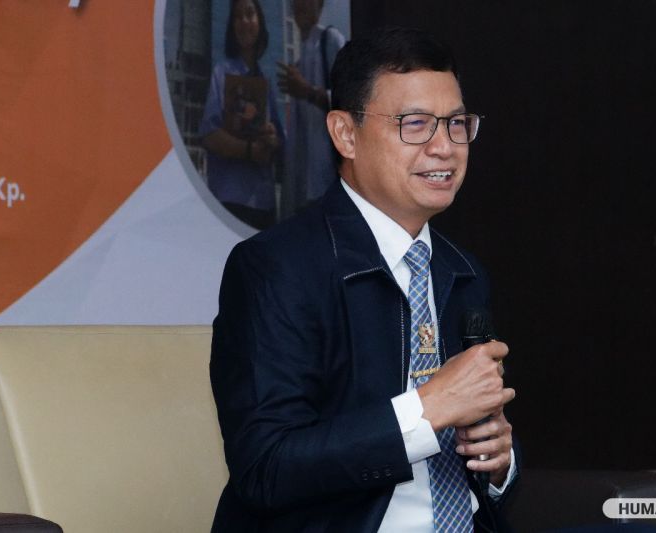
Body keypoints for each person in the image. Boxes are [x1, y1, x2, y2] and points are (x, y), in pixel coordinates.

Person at [210, 27, 517, 532]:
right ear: (345, 134)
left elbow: (480, 457)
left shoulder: (463, 273)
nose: (445, 147)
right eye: (415, 124)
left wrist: (500, 465)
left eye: (457, 124)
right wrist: (425, 411)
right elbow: (265, 468)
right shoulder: (275, 269)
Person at [199, 0, 284, 230]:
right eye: (238, 16)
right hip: (230, 200)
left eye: (249, 14)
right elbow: (209, 135)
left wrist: (272, 139)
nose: (244, 21)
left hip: (264, 204)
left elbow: (279, 143)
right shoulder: (221, 74)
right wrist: (249, 151)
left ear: (260, 22)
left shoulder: (266, 82)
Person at [277, 0, 346, 216]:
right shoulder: (299, 61)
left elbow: (350, 101)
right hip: (303, 185)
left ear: (320, 4)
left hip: (328, 179)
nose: (301, 5)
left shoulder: (330, 40)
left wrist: (307, 91)